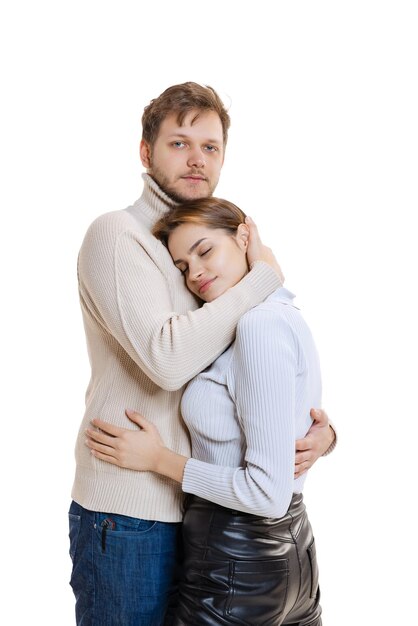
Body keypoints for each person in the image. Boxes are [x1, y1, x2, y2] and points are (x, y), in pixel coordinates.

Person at [70, 82, 335, 626]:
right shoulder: (119, 236)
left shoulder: (201, 247)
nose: (197, 159)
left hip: (207, 511)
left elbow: (249, 367)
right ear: (146, 153)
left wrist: (321, 434)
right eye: (179, 143)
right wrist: (261, 279)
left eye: (210, 147)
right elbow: (169, 360)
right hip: (131, 510)